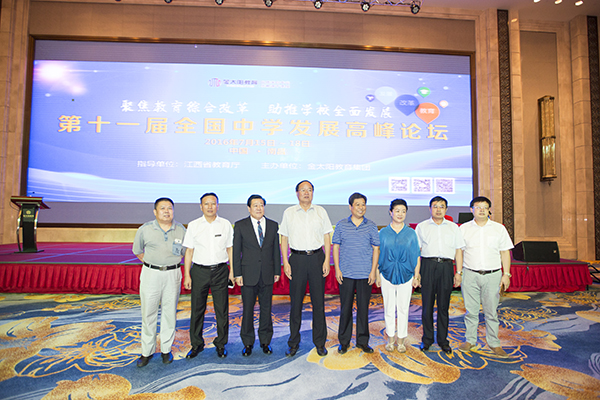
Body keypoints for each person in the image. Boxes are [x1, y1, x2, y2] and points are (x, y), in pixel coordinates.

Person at [279, 180, 333, 357]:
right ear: (297, 193)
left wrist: (326, 260)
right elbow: (284, 238)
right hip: (297, 259)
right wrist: (286, 262)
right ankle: (293, 342)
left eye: (309, 190)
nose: (306, 193)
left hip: (317, 258)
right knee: (296, 304)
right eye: (303, 190)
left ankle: (320, 342)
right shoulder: (289, 213)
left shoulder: (321, 211)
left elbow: (327, 236)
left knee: (319, 303)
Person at [132, 197, 186, 368]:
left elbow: (184, 252)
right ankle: (146, 352)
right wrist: (153, 263)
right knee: (148, 313)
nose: (166, 211)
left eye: (169, 208)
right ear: (155, 212)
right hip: (151, 274)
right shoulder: (145, 229)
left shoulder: (181, 229)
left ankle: (166, 350)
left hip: (173, 273)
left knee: (170, 312)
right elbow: (137, 250)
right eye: (162, 208)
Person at [458, 196, 513, 357]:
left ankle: (494, 343)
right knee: (471, 311)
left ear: (489, 210)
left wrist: (506, 274)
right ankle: (470, 340)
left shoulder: (499, 228)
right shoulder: (463, 229)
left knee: (491, 312)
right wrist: (459, 272)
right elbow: (459, 252)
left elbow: (505, 252)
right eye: (478, 207)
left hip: (493, 275)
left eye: (485, 207)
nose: (481, 210)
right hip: (470, 274)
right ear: (471, 210)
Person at [183, 193, 234, 359]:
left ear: (218, 205)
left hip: (220, 271)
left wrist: (232, 271)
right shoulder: (193, 225)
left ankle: (221, 344)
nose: (210, 207)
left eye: (213, 203)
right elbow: (189, 251)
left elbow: (230, 249)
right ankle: (196, 344)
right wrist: (187, 275)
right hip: (199, 271)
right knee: (197, 310)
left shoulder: (225, 224)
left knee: (222, 310)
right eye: (206, 204)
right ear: (201, 206)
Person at [415, 196, 465, 354]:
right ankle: (427, 340)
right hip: (428, 266)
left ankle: (443, 341)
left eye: (441, 206)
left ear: (446, 209)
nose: (438, 209)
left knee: (444, 306)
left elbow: (458, 251)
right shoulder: (422, 227)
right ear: (430, 208)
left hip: (446, 267)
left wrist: (458, 272)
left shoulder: (453, 227)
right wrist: (417, 274)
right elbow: (417, 252)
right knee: (427, 306)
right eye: (435, 206)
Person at [233, 194, 281, 356]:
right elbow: (236, 252)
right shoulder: (240, 225)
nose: (259, 208)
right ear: (249, 208)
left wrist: (277, 271)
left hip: (267, 273)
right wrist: (237, 273)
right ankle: (247, 342)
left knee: (266, 309)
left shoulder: (273, 225)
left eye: (261, 205)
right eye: (255, 205)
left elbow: (275, 250)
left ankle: (265, 341)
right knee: (247, 309)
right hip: (248, 274)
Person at [332, 192, 380, 354]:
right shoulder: (341, 224)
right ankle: (344, 341)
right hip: (346, 273)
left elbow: (376, 249)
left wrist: (373, 271)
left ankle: (362, 341)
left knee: (363, 309)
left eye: (363, 204)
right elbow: (336, 247)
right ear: (350, 207)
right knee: (345, 308)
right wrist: (337, 269)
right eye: (357, 204)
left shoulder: (371, 225)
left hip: (365, 274)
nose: (361, 207)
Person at [376, 198, 421, 353]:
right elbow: (378, 254)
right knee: (388, 308)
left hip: (406, 275)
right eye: (397, 211)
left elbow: (416, 255)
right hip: (386, 274)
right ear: (391, 212)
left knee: (403, 308)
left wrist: (416, 276)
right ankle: (390, 339)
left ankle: (401, 340)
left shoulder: (411, 233)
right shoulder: (383, 233)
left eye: (403, 211)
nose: (400, 214)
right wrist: (377, 274)